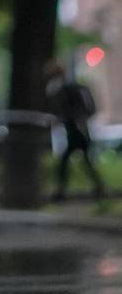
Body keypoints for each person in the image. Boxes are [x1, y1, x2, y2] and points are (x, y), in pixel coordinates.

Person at [45, 60, 108, 202]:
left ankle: (62, 192)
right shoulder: (72, 88)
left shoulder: (67, 89)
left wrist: (66, 119)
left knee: (66, 162)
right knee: (83, 161)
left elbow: (66, 110)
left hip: (76, 129)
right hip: (77, 129)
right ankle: (98, 188)